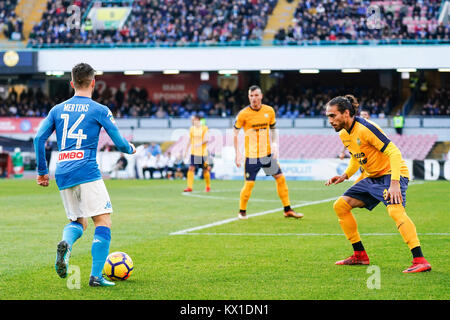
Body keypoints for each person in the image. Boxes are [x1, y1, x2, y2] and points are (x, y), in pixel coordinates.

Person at [34, 63, 136, 287]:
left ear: (72, 83)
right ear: (93, 83)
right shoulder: (100, 110)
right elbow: (119, 143)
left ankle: (66, 243)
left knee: (78, 221)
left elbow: (38, 139)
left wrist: (42, 172)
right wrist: (131, 148)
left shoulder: (57, 110)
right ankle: (96, 277)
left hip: (63, 171)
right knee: (103, 220)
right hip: (87, 170)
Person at [324, 94, 431, 273]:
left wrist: (395, 183)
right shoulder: (344, 134)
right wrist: (345, 175)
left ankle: (420, 259)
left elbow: (394, 152)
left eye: (333, 115)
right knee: (341, 206)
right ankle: (360, 255)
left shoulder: (365, 128)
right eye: (328, 116)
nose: (330, 120)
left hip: (392, 175)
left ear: (346, 113)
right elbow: (357, 158)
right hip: (372, 177)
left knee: (395, 210)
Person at [233, 85, 303, 220]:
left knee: (280, 178)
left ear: (261, 96)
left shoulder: (269, 111)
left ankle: (287, 209)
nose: (253, 98)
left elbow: (273, 129)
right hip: (252, 156)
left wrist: (275, 144)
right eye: (251, 96)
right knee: (249, 184)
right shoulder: (243, 114)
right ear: (248, 97)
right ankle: (242, 211)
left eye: (256, 95)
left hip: (267, 155)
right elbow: (235, 134)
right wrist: (237, 154)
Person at [183, 115, 211, 192]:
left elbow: (207, 139)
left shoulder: (205, 128)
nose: (192, 121)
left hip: (203, 153)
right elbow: (189, 140)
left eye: (193, 120)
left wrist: (199, 144)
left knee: (205, 170)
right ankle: (189, 187)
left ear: (198, 120)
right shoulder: (191, 129)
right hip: (194, 152)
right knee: (191, 168)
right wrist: (186, 151)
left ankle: (208, 186)